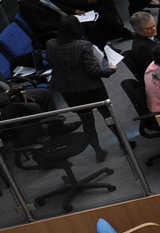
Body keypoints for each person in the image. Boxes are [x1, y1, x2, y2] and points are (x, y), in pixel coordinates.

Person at [45, 19, 115, 158]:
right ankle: (124, 144)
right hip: (92, 89)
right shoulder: (84, 45)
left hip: (69, 91)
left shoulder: (50, 44)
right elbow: (93, 71)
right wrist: (110, 70)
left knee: (87, 122)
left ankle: (98, 152)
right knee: (108, 116)